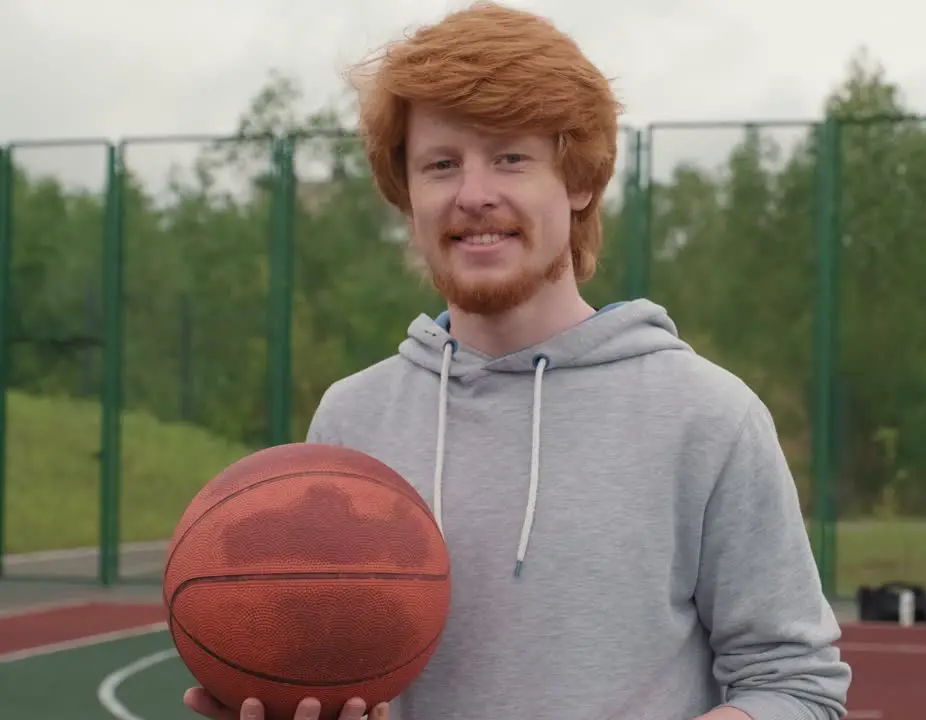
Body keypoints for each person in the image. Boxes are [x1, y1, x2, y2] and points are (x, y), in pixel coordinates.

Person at [184, 3, 852, 719]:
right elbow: (326, 661)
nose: (474, 195)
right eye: (441, 165)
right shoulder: (353, 421)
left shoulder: (707, 417)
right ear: (408, 196)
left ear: (579, 181)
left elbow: (795, 683)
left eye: (510, 157)